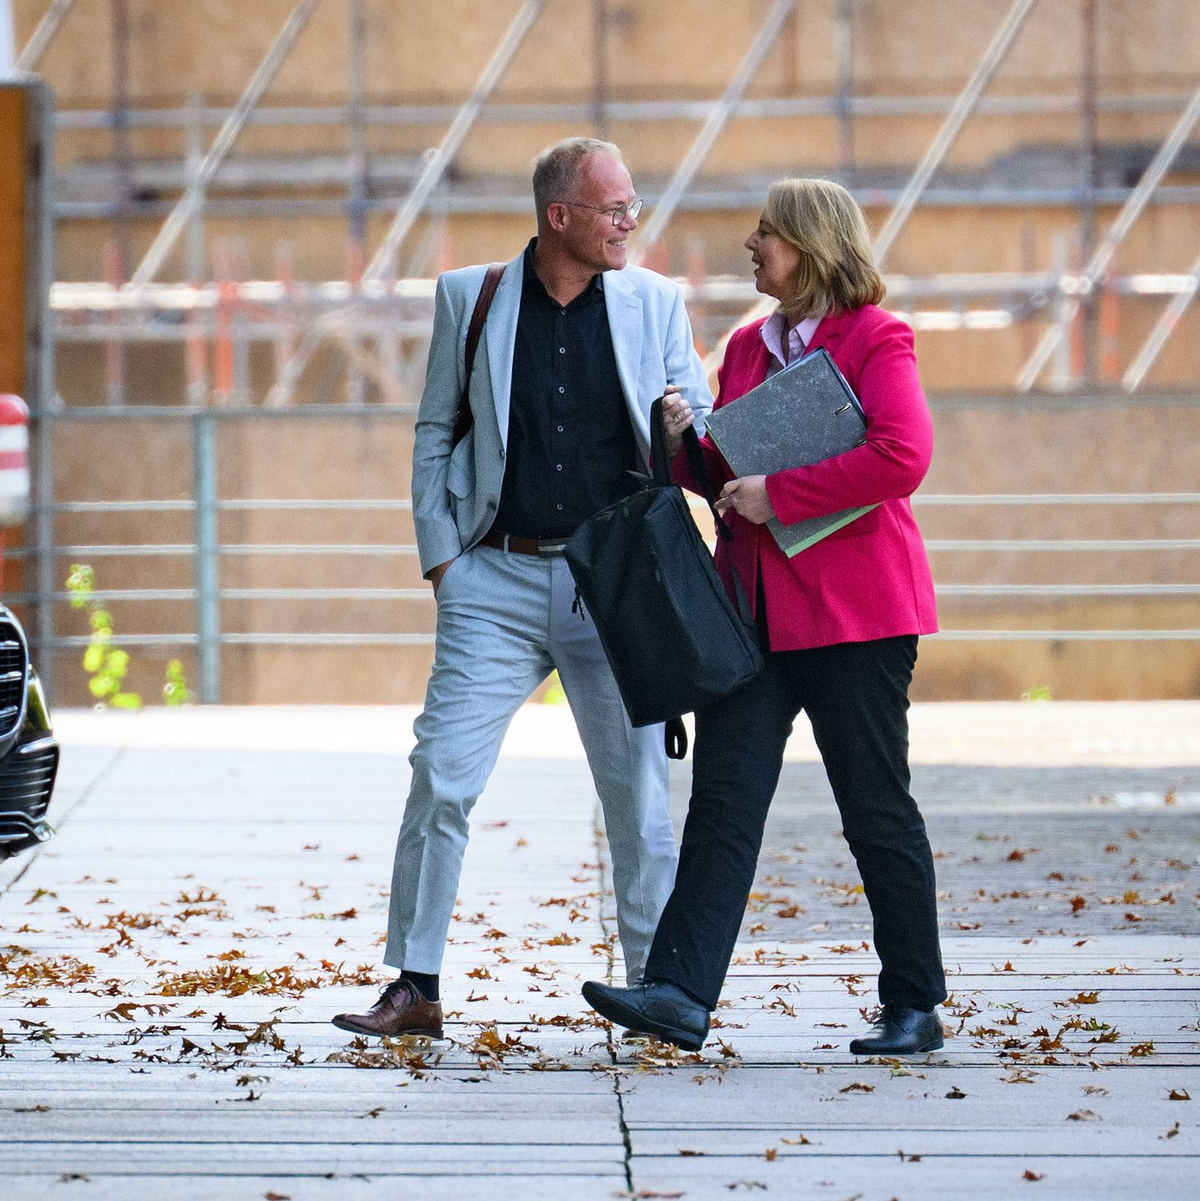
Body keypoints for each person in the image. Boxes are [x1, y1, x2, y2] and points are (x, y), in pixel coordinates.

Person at [333, 137, 712, 1039]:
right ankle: (415, 983)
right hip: (493, 579)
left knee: (640, 801)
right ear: (559, 215)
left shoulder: (656, 303)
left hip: (613, 587)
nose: (629, 221)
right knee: (441, 775)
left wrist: (683, 428)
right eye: (614, 208)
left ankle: (657, 989)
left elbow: (697, 431)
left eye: (631, 205)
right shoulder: (472, 298)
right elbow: (436, 430)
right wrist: (444, 561)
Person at [582, 177, 946, 1057]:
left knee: (874, 807)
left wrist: (776, 495)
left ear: (811, 246)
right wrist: (684, 444)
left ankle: (914, 1003)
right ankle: (679, 992)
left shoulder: (876, 337)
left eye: (766, 233)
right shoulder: (747, 345)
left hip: (857, 617)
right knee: (723, 803)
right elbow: (726, 475)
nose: (751, 245)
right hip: (751, 617)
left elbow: (902, 454)